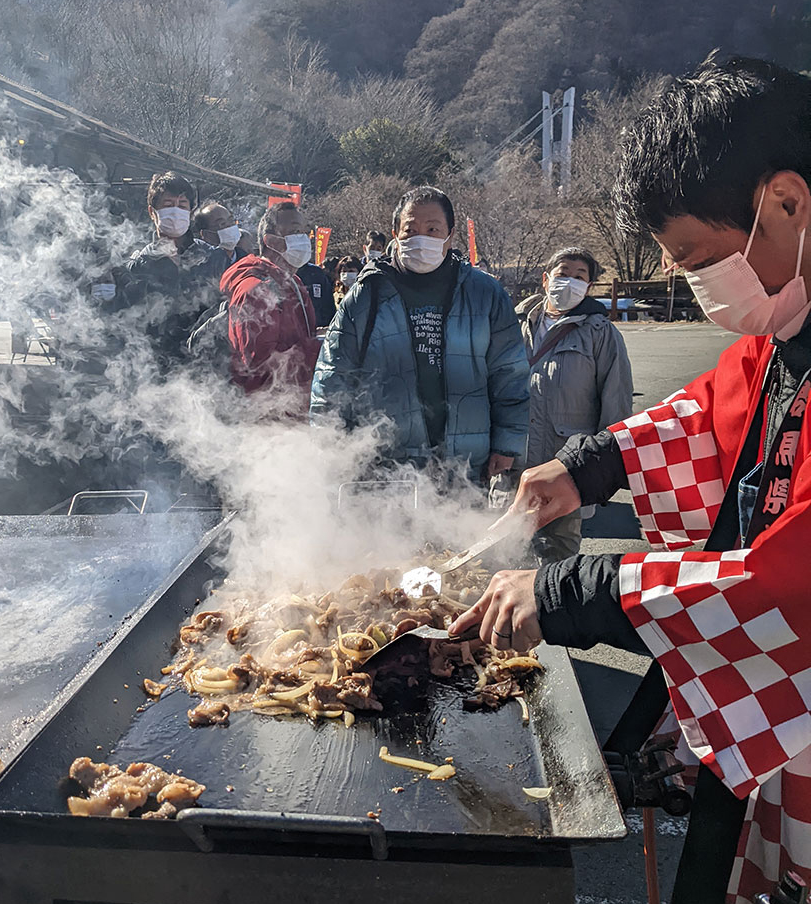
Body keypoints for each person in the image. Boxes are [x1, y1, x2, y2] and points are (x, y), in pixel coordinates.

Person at [449, 56, 811, 904]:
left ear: (785, 201)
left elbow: (796, 577)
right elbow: (717, 410)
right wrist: (586, 468)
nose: (696, 283)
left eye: (696, 255)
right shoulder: (791, 323)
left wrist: (579, 586)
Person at [311, 186, 529, 485]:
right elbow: (333, 373)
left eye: (432, 229)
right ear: (395, 235)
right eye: (410, 230)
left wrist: (507, 442)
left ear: (450, 235)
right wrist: (328, 444)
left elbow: (510, 372)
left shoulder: (485, 294)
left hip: (465, 458)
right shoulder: (367, 294)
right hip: (383, 460)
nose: (420, 238)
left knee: (462, 532)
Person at [515, 247, 633, 561]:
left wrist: (601, 470)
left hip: (564, 470)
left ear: (589, 287)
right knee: (505, 557)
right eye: (562, 274)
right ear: (545, 280)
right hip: (514, 464)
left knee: (559, 560)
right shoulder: (514, 327)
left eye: (579, 277)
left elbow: (616, 404)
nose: (569, 282)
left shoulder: (600, 334)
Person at [109, 171, 226, 367]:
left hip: (210, 369)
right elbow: (126, 329)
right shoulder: (137, 268)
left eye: (182, 205)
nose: (176, 212)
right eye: (168, 205)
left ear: (190, 211)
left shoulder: (214, 258)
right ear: (151, 212)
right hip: (157, 373)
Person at [219, 201, 320, 404]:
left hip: (292, 407)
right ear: (271, 241)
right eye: (294, 231)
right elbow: (259, 363)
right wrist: (319, 348)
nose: (303, 238)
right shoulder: (254, 289)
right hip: (266, 418)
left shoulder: (292, 281)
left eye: (303, 231)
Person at [194, 200, 245, 266]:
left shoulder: (247, 261)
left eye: (231, 220)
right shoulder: (200, 264)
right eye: (222, 224)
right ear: (206, 235)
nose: (230, 226)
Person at [296, 258, 335, 333]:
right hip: (294, 329)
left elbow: (328, 303)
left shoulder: (316, 272)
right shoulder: (281, 271)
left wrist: (329, 326)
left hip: (318, 328)